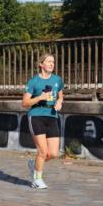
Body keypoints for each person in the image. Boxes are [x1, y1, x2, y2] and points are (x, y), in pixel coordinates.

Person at [23, 52, 64, 190]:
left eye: (53, 61)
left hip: (52, 116)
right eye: (49, 61)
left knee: (53, 154)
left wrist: (59, 102)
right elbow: (25, 102)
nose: (52, 64)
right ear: (41, 64)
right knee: (42, 151)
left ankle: (34, 166)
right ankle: (37, 179)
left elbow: (60, 96)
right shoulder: (34, 81)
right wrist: (40, 98)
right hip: (36, 116)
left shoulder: (57, 79)